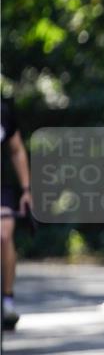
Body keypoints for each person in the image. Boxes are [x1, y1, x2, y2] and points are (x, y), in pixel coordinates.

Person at [1, 99, 32, 330]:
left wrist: (26, 190)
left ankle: (7, 300)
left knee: (3, 235)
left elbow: (17, 149)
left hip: (2, 189)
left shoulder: (3, 112)